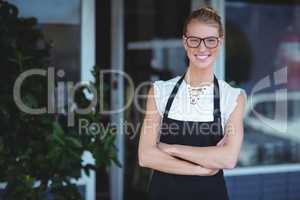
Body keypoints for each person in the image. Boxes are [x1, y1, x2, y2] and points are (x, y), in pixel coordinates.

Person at [138, 6, 246, 200]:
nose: (202, 48)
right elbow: (146, 156)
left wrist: (170, 148)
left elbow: (228, 159)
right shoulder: (160, 91)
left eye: (210, 40)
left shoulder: (233, 97)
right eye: (194, 40)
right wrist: (201, 169)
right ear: (185, 42)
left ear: (220, 43)